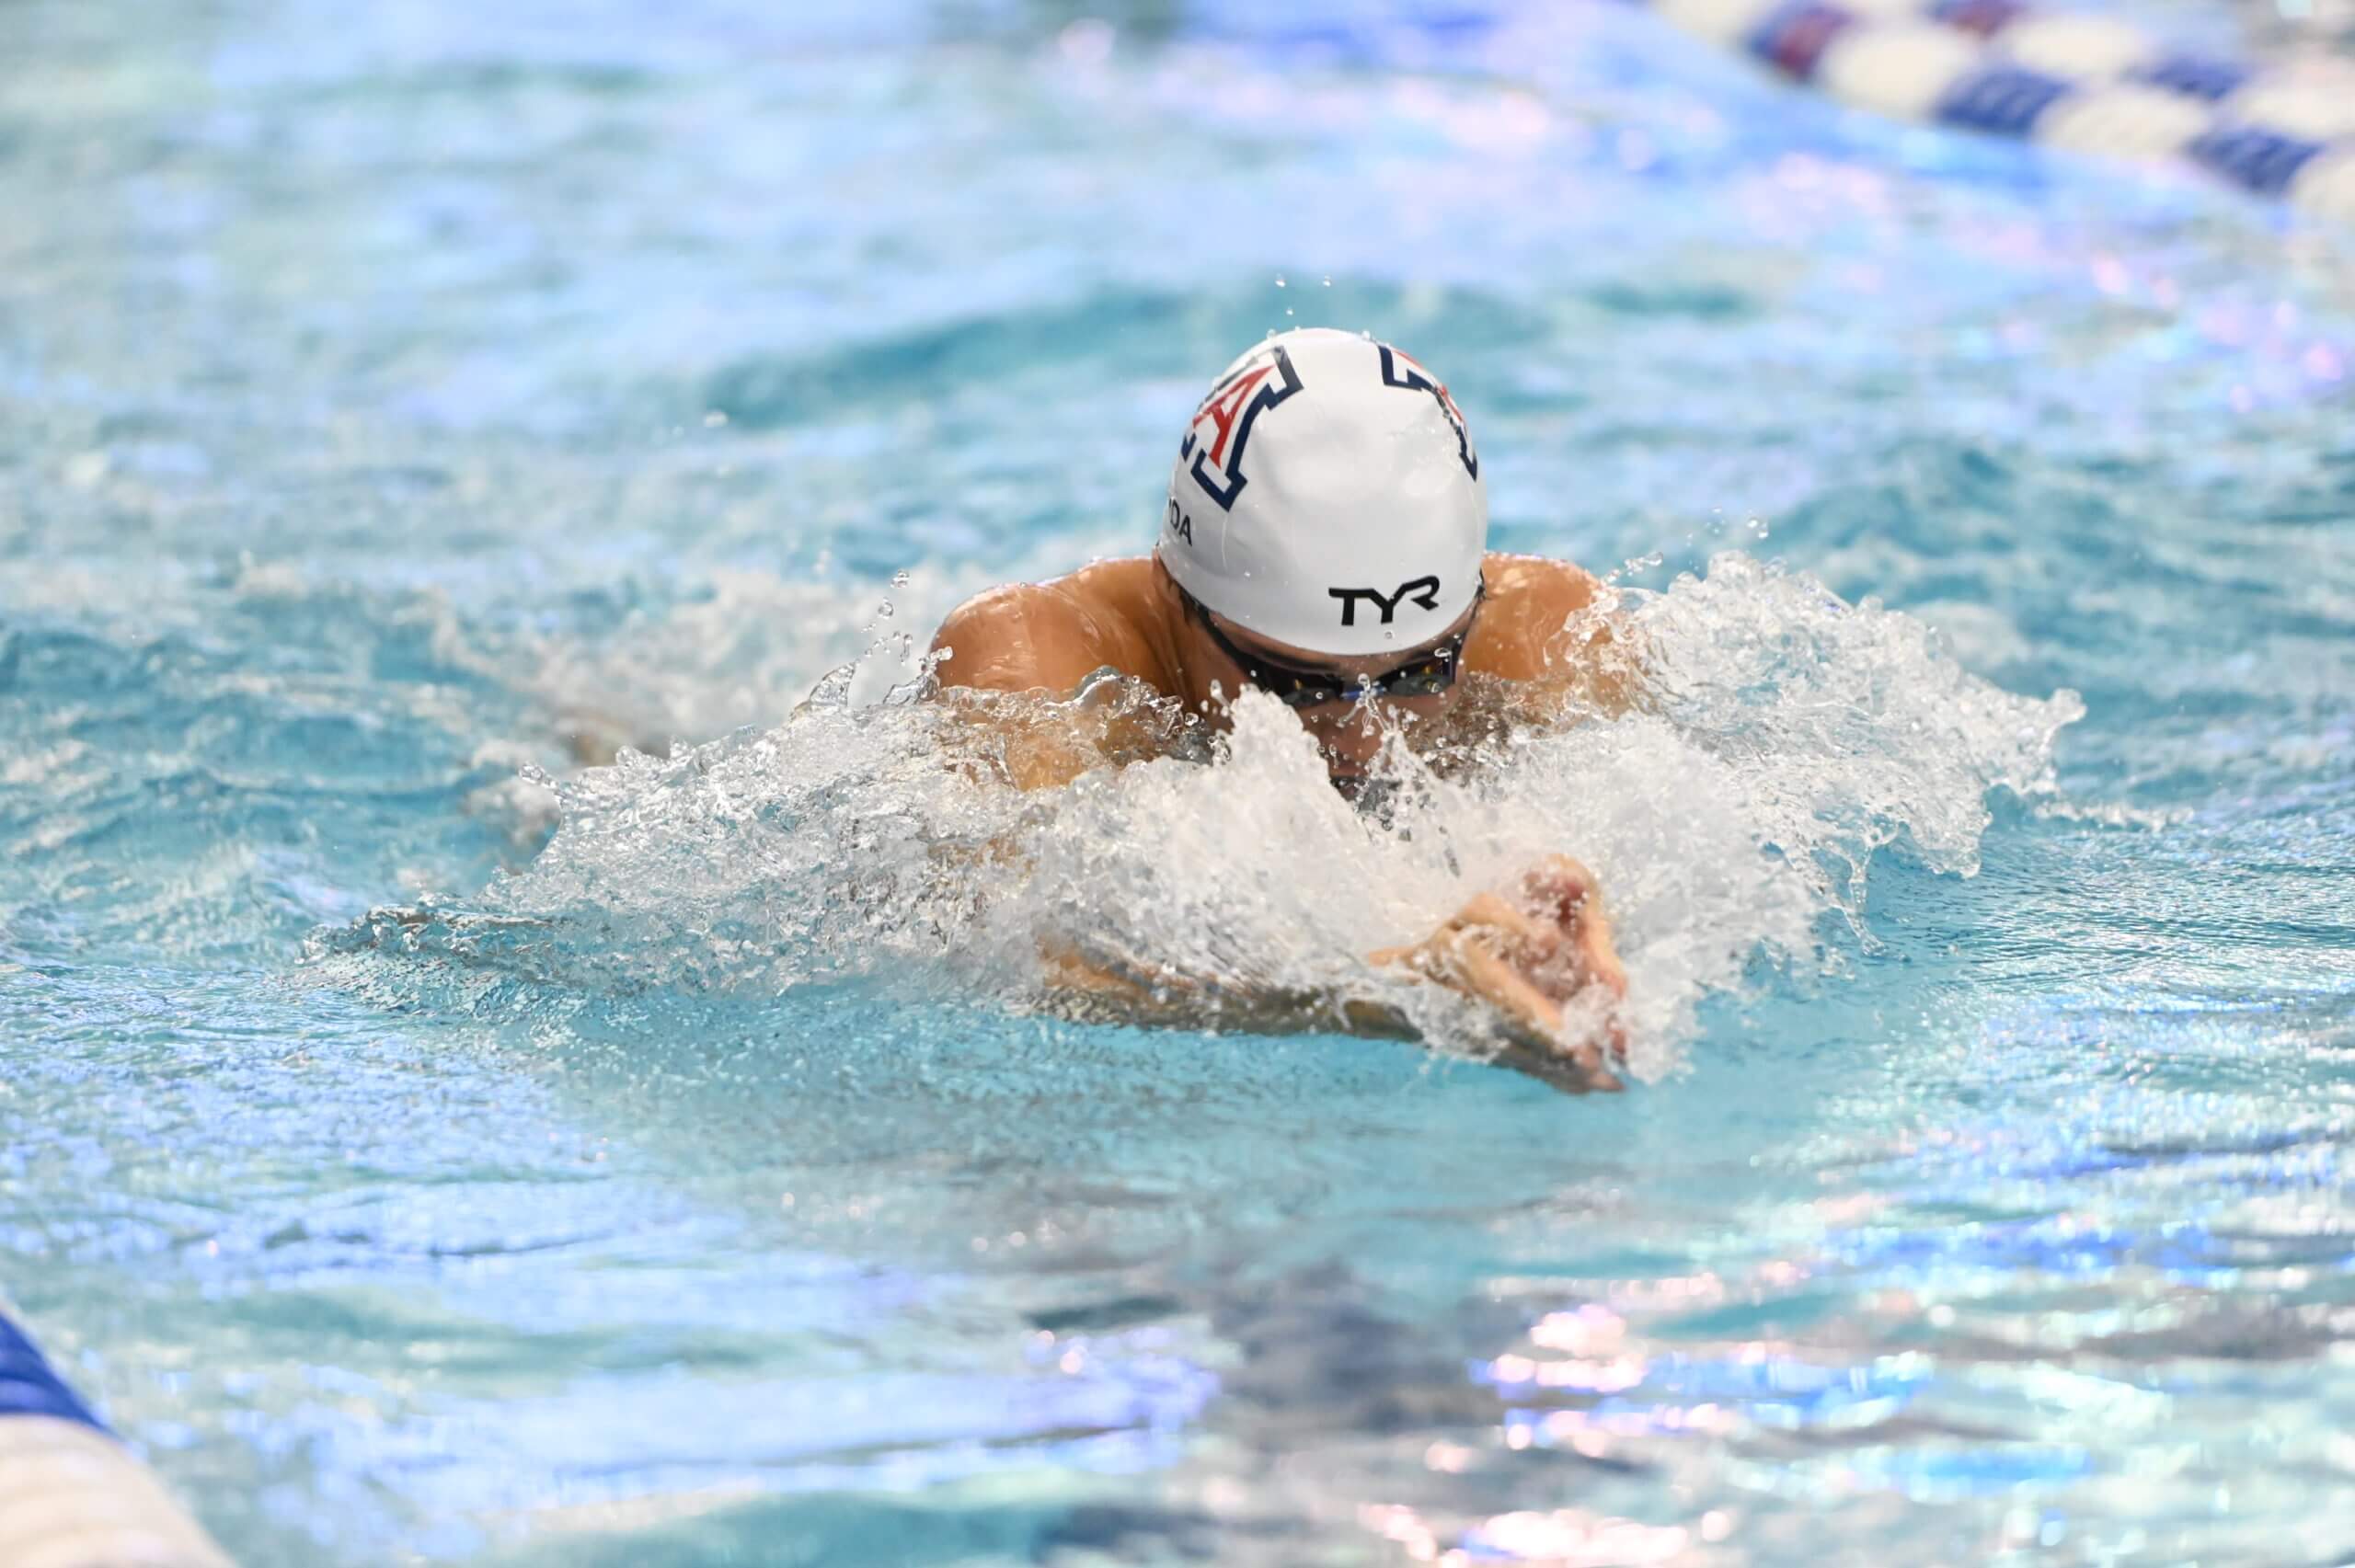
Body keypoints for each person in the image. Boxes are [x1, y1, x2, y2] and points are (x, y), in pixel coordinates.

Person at [925, 327, 1632, 1088]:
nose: (1365, 736)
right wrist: (1377, 988)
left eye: (1418, 671)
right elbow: (1031, 956)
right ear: (1173, 590)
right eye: (1298, 684)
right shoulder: (1036, 666)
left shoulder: (1553, 639)